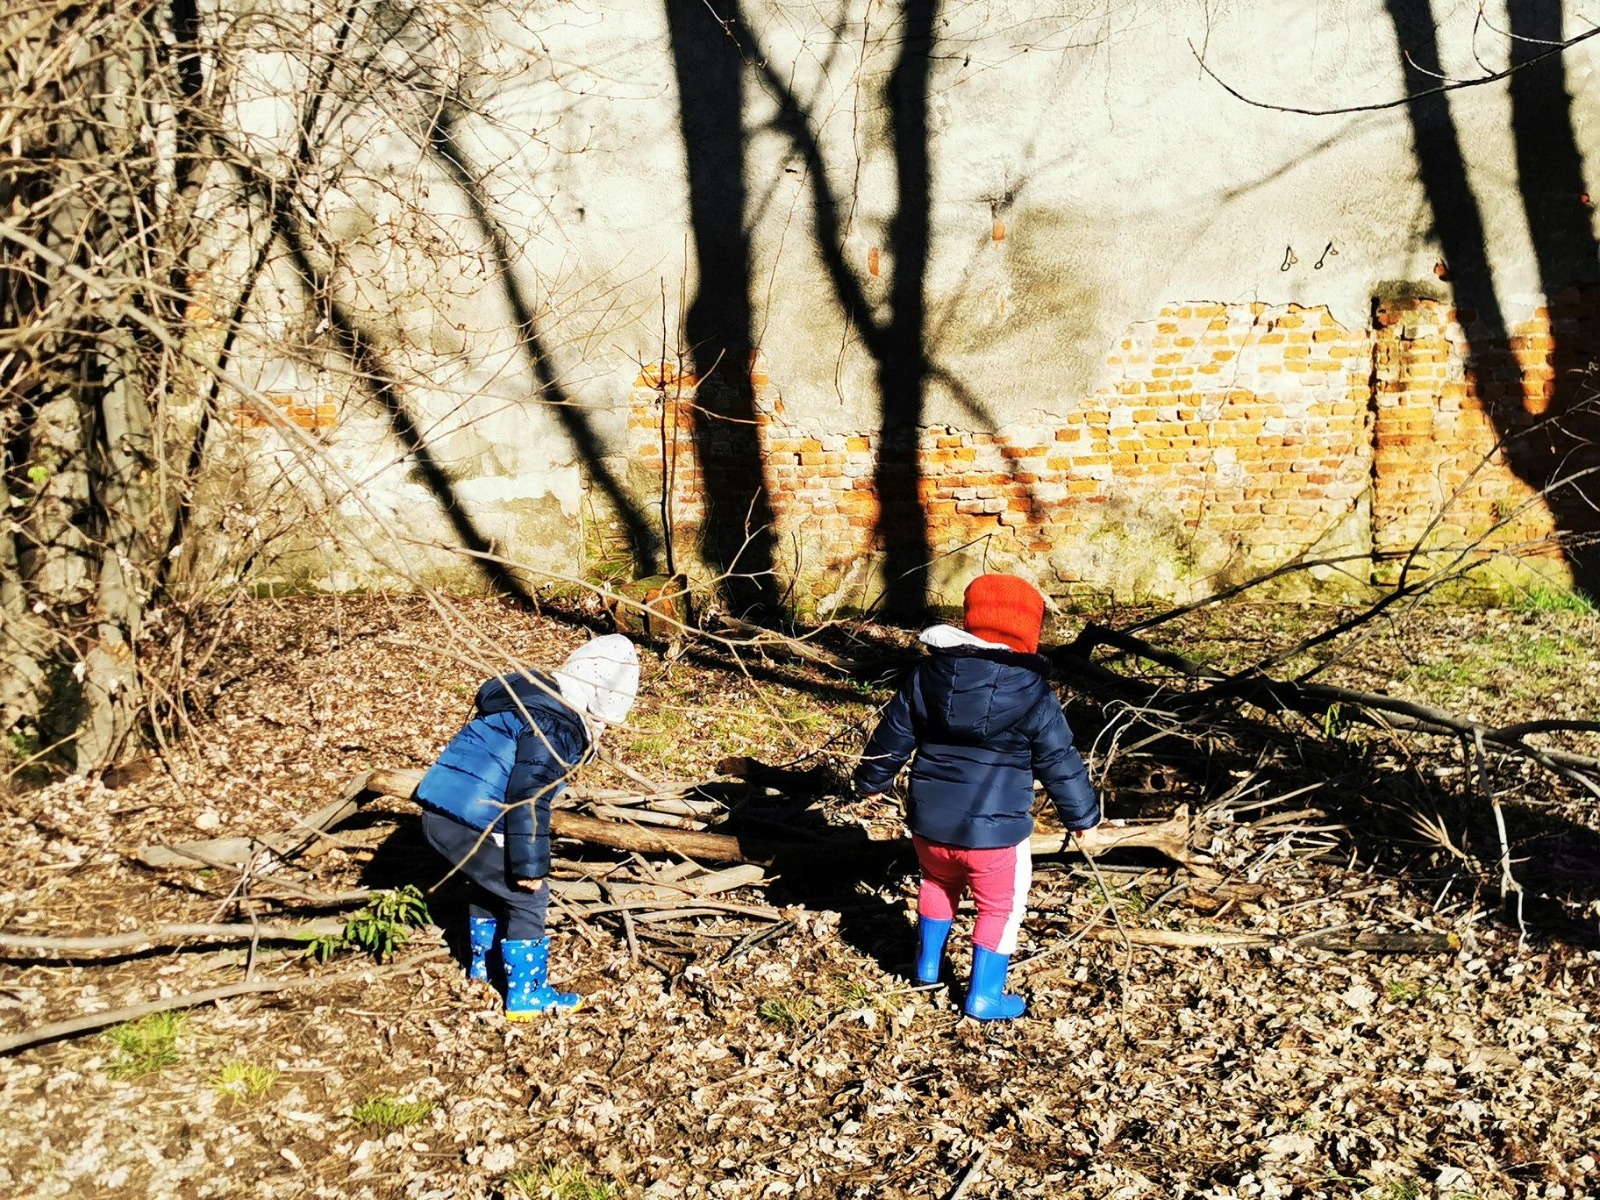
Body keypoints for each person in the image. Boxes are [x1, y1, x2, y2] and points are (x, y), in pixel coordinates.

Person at [854, 574, 1099, 1020]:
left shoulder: (927, 677)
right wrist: (1082, 818)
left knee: (938, 883)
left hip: (931, 825)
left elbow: (892, 735)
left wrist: (871, 781)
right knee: (1001, 907)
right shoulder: (1034, 693)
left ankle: (927, 968)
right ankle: (984, 996)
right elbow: (1059, 760)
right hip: (995, 836)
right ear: (1028, 632)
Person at [415, 635, 639, 1018]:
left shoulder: (528, 698)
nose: (602, 730)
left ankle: (483, 970)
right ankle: (527, 995)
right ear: (594, 701)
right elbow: (529, 795)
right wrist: (529, 867)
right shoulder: (557, 724)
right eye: (601, 721)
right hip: (472, 819)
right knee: (527, 896)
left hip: (441, 811)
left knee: (489, 886)